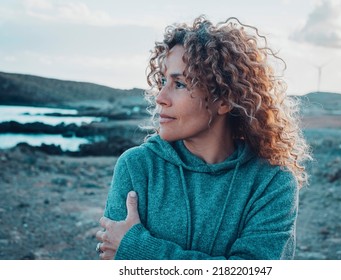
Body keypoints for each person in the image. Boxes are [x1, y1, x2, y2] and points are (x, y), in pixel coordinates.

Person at [95, 15, 311, 260]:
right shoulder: (137, 167)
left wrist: (137, 249)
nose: (160, 97)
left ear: (224, 100)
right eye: (164, 81)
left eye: (180, 84)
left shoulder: (272, 181)